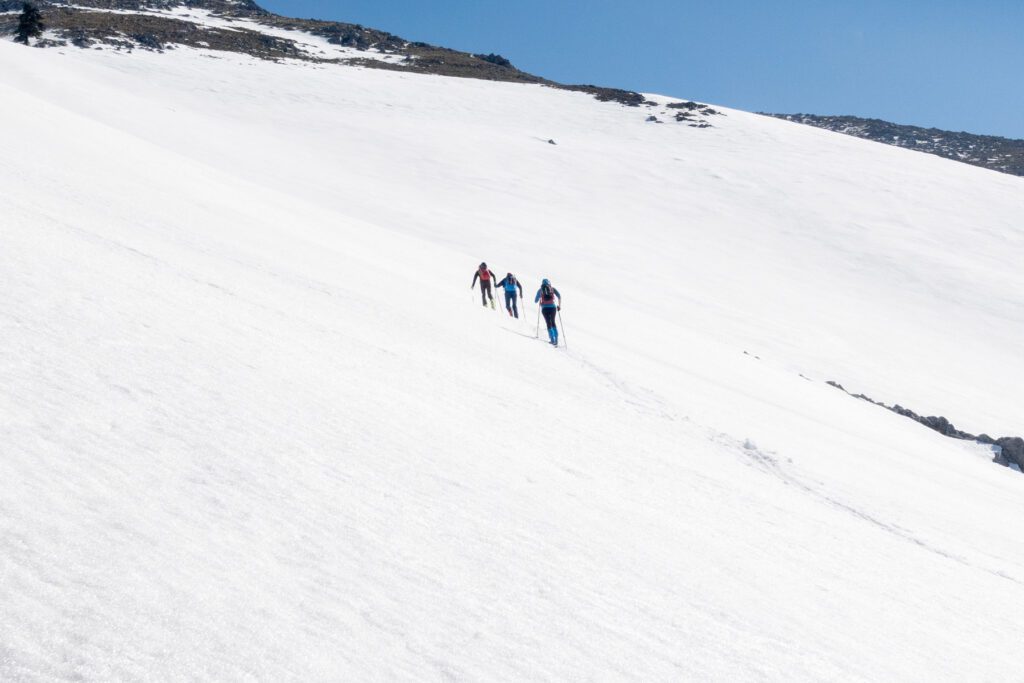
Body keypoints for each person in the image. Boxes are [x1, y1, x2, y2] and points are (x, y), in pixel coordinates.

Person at [534, 278, 562, 346]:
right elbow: (559, 296)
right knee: (553, 322)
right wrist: (559, 306)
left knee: (548, 323)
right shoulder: (552, 289)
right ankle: (556, 339)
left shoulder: (540, 290)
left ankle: (552, 339)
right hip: (553, 307)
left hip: (544, 308)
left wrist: (539, 300)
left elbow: (535, 301)